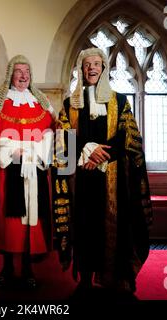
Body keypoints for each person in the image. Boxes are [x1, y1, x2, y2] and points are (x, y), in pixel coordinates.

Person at [62, 48, 153, 294]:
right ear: (81, 70)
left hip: (113, 177)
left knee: (115, 225)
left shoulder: (120, 101)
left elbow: (130, 137)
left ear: (103, 68)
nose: (92, 68)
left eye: (96, 64)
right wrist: (88, 150)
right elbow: (63, 140)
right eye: (87, 65)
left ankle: (116, 277)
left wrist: (104, 155)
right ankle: (85, 278)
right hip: (83, 178)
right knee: (85, 227)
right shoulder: (70, 104)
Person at [0, 55, 59, 289]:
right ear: (11, 74)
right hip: (6, 171)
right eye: (18, 71)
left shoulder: (40, 102)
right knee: (8, 221)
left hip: (35, 169)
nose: (23, 75)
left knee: (32, 221)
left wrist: (36, 151)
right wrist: (10, 151)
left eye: (26, 70)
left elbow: (51, 132)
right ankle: (7, 267)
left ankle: (28, 268)